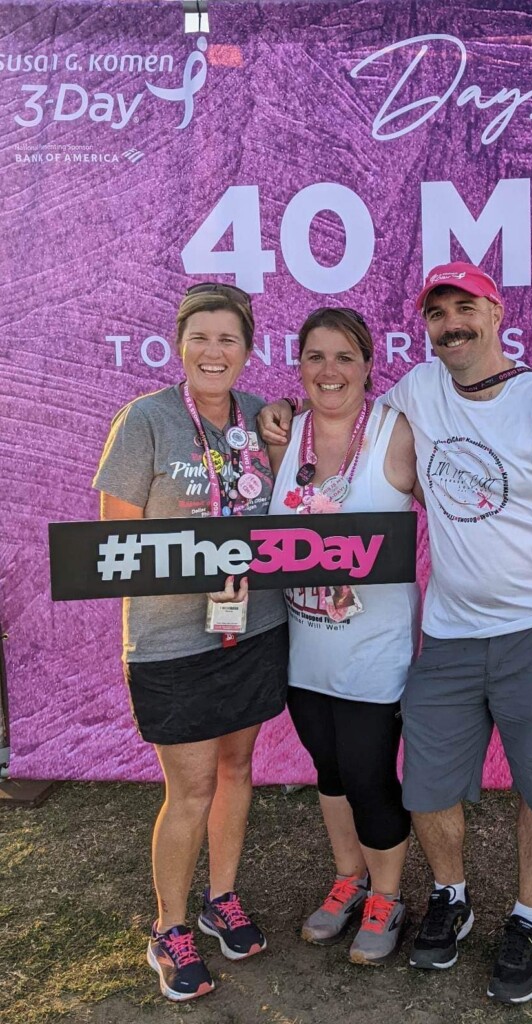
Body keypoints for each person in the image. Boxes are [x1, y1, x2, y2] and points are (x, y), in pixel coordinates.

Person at [259, 262, 532, 1003]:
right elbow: (341, 407)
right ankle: (449, 899)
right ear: (424, 327)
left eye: (465, 308)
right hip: (449, 634)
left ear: (495, 313)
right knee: (425, 785)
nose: (451, 323)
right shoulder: (417, 392)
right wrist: (281, 414)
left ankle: (526, 918)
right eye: (437, 313)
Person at [93, 283, 289, 1003]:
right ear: (180, 344)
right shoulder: (144, 421)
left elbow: (285, 512)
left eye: (228, 340)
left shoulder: (261, 418)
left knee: (237, 769)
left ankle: (222, 899)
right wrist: (205, 557)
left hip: (256, 630)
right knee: (191, 787)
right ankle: (169, 929)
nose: (215, 351)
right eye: (201, 338)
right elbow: (111, 542)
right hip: (172, 640)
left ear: (246, 349)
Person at [267, 307, 419, 965]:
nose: (329, 371)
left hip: (373, 652)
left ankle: (387, 896)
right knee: (329, 771)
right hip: (303, 654)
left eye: (344, 358)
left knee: (367, 774)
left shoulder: (396, 433)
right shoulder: (281, 434)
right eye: (315, 358)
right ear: (299, 367)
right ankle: (347, 880)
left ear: (366, 366)